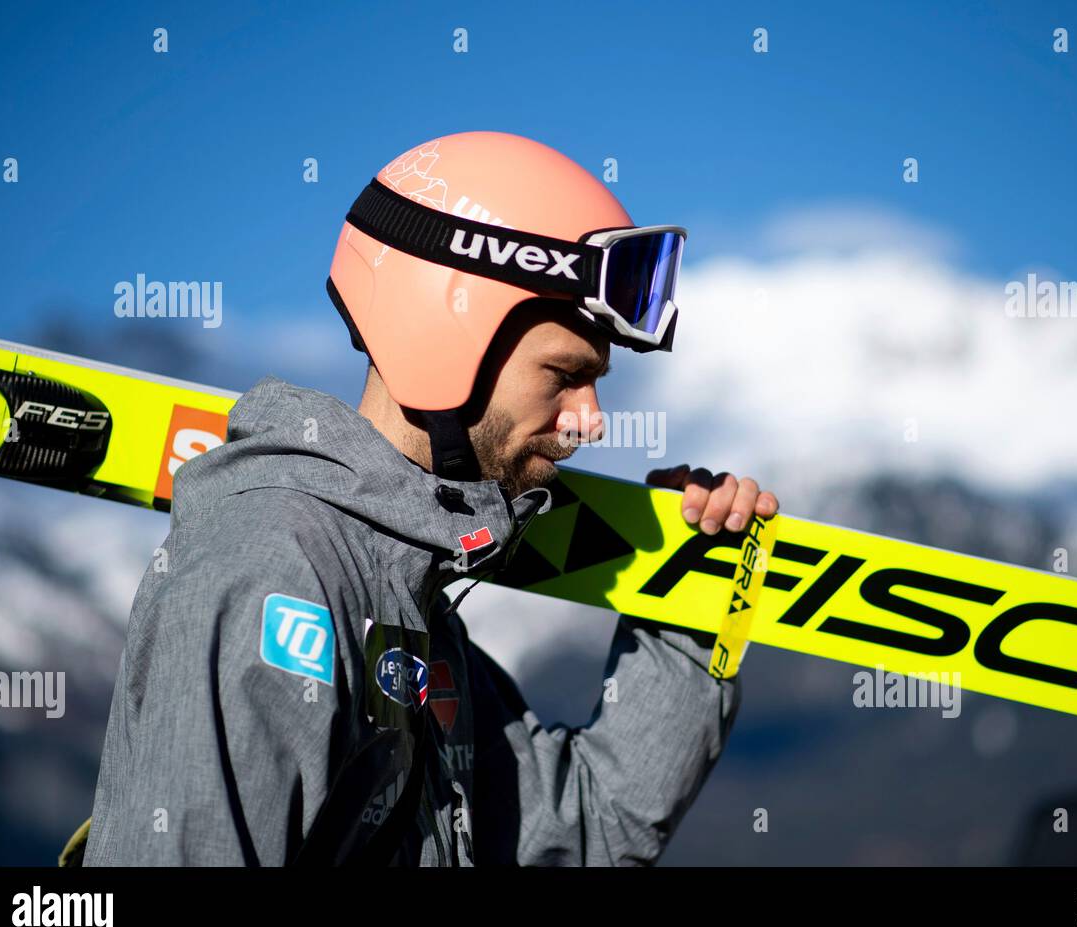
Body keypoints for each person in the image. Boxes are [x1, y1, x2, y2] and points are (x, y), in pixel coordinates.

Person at [80, 131, 779, 866]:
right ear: (451, 334)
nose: (590, 418)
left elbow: (577, 834)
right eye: (564, 373)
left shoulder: (409, 594)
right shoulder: (280, 575)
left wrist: (688, 603)